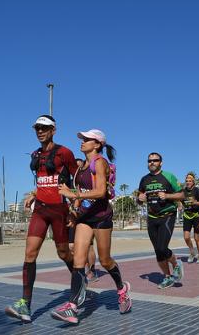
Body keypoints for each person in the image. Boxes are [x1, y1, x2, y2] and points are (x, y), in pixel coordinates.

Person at [52, 129, 132, 325]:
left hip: (102, 217)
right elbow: (80, 193)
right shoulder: (81, 167)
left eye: (87, 139)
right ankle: (72, 307)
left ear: (97, 144)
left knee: (105, 260)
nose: (82, 142)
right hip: (85, 218)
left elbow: (100, 192)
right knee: (78, 261)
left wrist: (75, 195)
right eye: (82, 139)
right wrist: (74, 210)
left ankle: (122, 289)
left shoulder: (100, 162)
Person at [5, 115, 78, 323]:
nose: (40, 131)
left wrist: (76, 207)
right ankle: (25, 305)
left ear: (53, 130)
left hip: (60, 210)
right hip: (41, 210)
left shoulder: (65, 153)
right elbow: (44, 181)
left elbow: (77, 180)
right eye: (37, 128)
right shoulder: (36, 154)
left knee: (64, 253)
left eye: (44, 128)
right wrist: (34, 194)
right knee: (30, 253)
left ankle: (79, 280)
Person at [137, 153, 185, 289]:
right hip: (152, 217)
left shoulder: (169, 176)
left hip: (167, 215)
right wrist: (139, 199)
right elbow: (139, 199)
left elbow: (182, 194)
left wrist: (168, 195)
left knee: (162, 247)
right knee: (158, 251)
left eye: (155, 160)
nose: (152, 162)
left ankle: (176, 264)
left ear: (161, 163)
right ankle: (167, 277)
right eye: (149, 161)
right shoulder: (144, 179)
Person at [68, 158, 99, 282]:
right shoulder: (71, 183)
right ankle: (84, 268)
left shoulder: (89, 180)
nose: (77, 169)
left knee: (89, 246)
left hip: (87, 215)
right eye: (75, 167)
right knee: (71, 246)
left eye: (80, 166)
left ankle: (92, 270)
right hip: (73, 215)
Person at [180, 173, 199, 263]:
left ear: (193, 182)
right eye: (186, 181)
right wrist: (180, 205)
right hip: (187, 215)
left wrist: (195, 203)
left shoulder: (197, 190)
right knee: (186, 237)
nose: (188, 182)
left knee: (196, 238)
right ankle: (192, 252)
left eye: (190, 181)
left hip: (196, 216)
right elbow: (179, 200)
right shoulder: (183, 192)